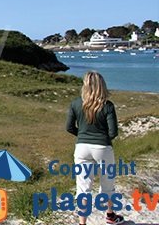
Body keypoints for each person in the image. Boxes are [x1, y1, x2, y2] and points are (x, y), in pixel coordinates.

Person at [66, 71, 125, 225]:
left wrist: (83, 135)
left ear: (85, 85)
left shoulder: (76, 103)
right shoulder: (107, 106)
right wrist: (102, 139)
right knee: (107, 186)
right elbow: (113, 132)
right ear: (102, 85)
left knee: (83, 188)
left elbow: (69, 127)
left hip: (82, 148)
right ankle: (110, 216)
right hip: (102, 148)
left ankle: (82, 223)